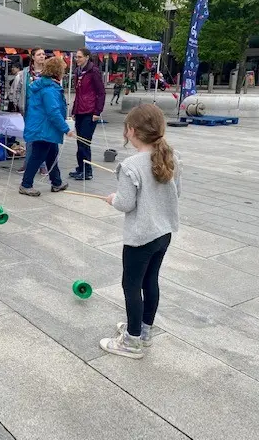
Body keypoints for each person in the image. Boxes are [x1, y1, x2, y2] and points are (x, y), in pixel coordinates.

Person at [99, 104, 181, 359]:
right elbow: (177, 193)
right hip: (163, 233)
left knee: (131, 285)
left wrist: (112, 198)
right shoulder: (171, 156)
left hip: (141, 236)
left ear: (131, 131)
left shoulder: (130, 165)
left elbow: (126, 203)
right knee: (150, 281)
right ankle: (144, 331)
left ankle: (132, 340)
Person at [19, 57, 75, 197]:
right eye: (63, 70)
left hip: (44, 128)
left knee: (51, 155)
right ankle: (26, 185)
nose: (64, 73)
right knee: (37, 156)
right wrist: (66, 129)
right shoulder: (49, 89)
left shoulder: (47, 86)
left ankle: (56, 182)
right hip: (44, 129)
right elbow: (53, 112)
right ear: (57, 72)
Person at [70, 48, 105, 181]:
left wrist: (97, 111)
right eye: (76, 57)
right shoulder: (78, 71)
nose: (77, 59)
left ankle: (87, 171)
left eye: (79, 57)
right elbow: (78, 93)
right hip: (80, 110)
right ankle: (80, 168)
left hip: (90, 111)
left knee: (85, 142)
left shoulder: (93, 71)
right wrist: (74, 110)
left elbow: (101, 93)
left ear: (86, 57)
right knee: (79, 142)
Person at [16, 48, 48, 175]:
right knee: (30, 138)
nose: (42, 56)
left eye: (43, 54)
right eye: (39, 54)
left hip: (45, 110)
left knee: (43, 138)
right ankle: (28, 164)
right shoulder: (25, 73)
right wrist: (19, 104)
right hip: (29, 110)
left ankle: (42, 165)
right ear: (33, 57)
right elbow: (17, 89)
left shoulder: (49, 72)